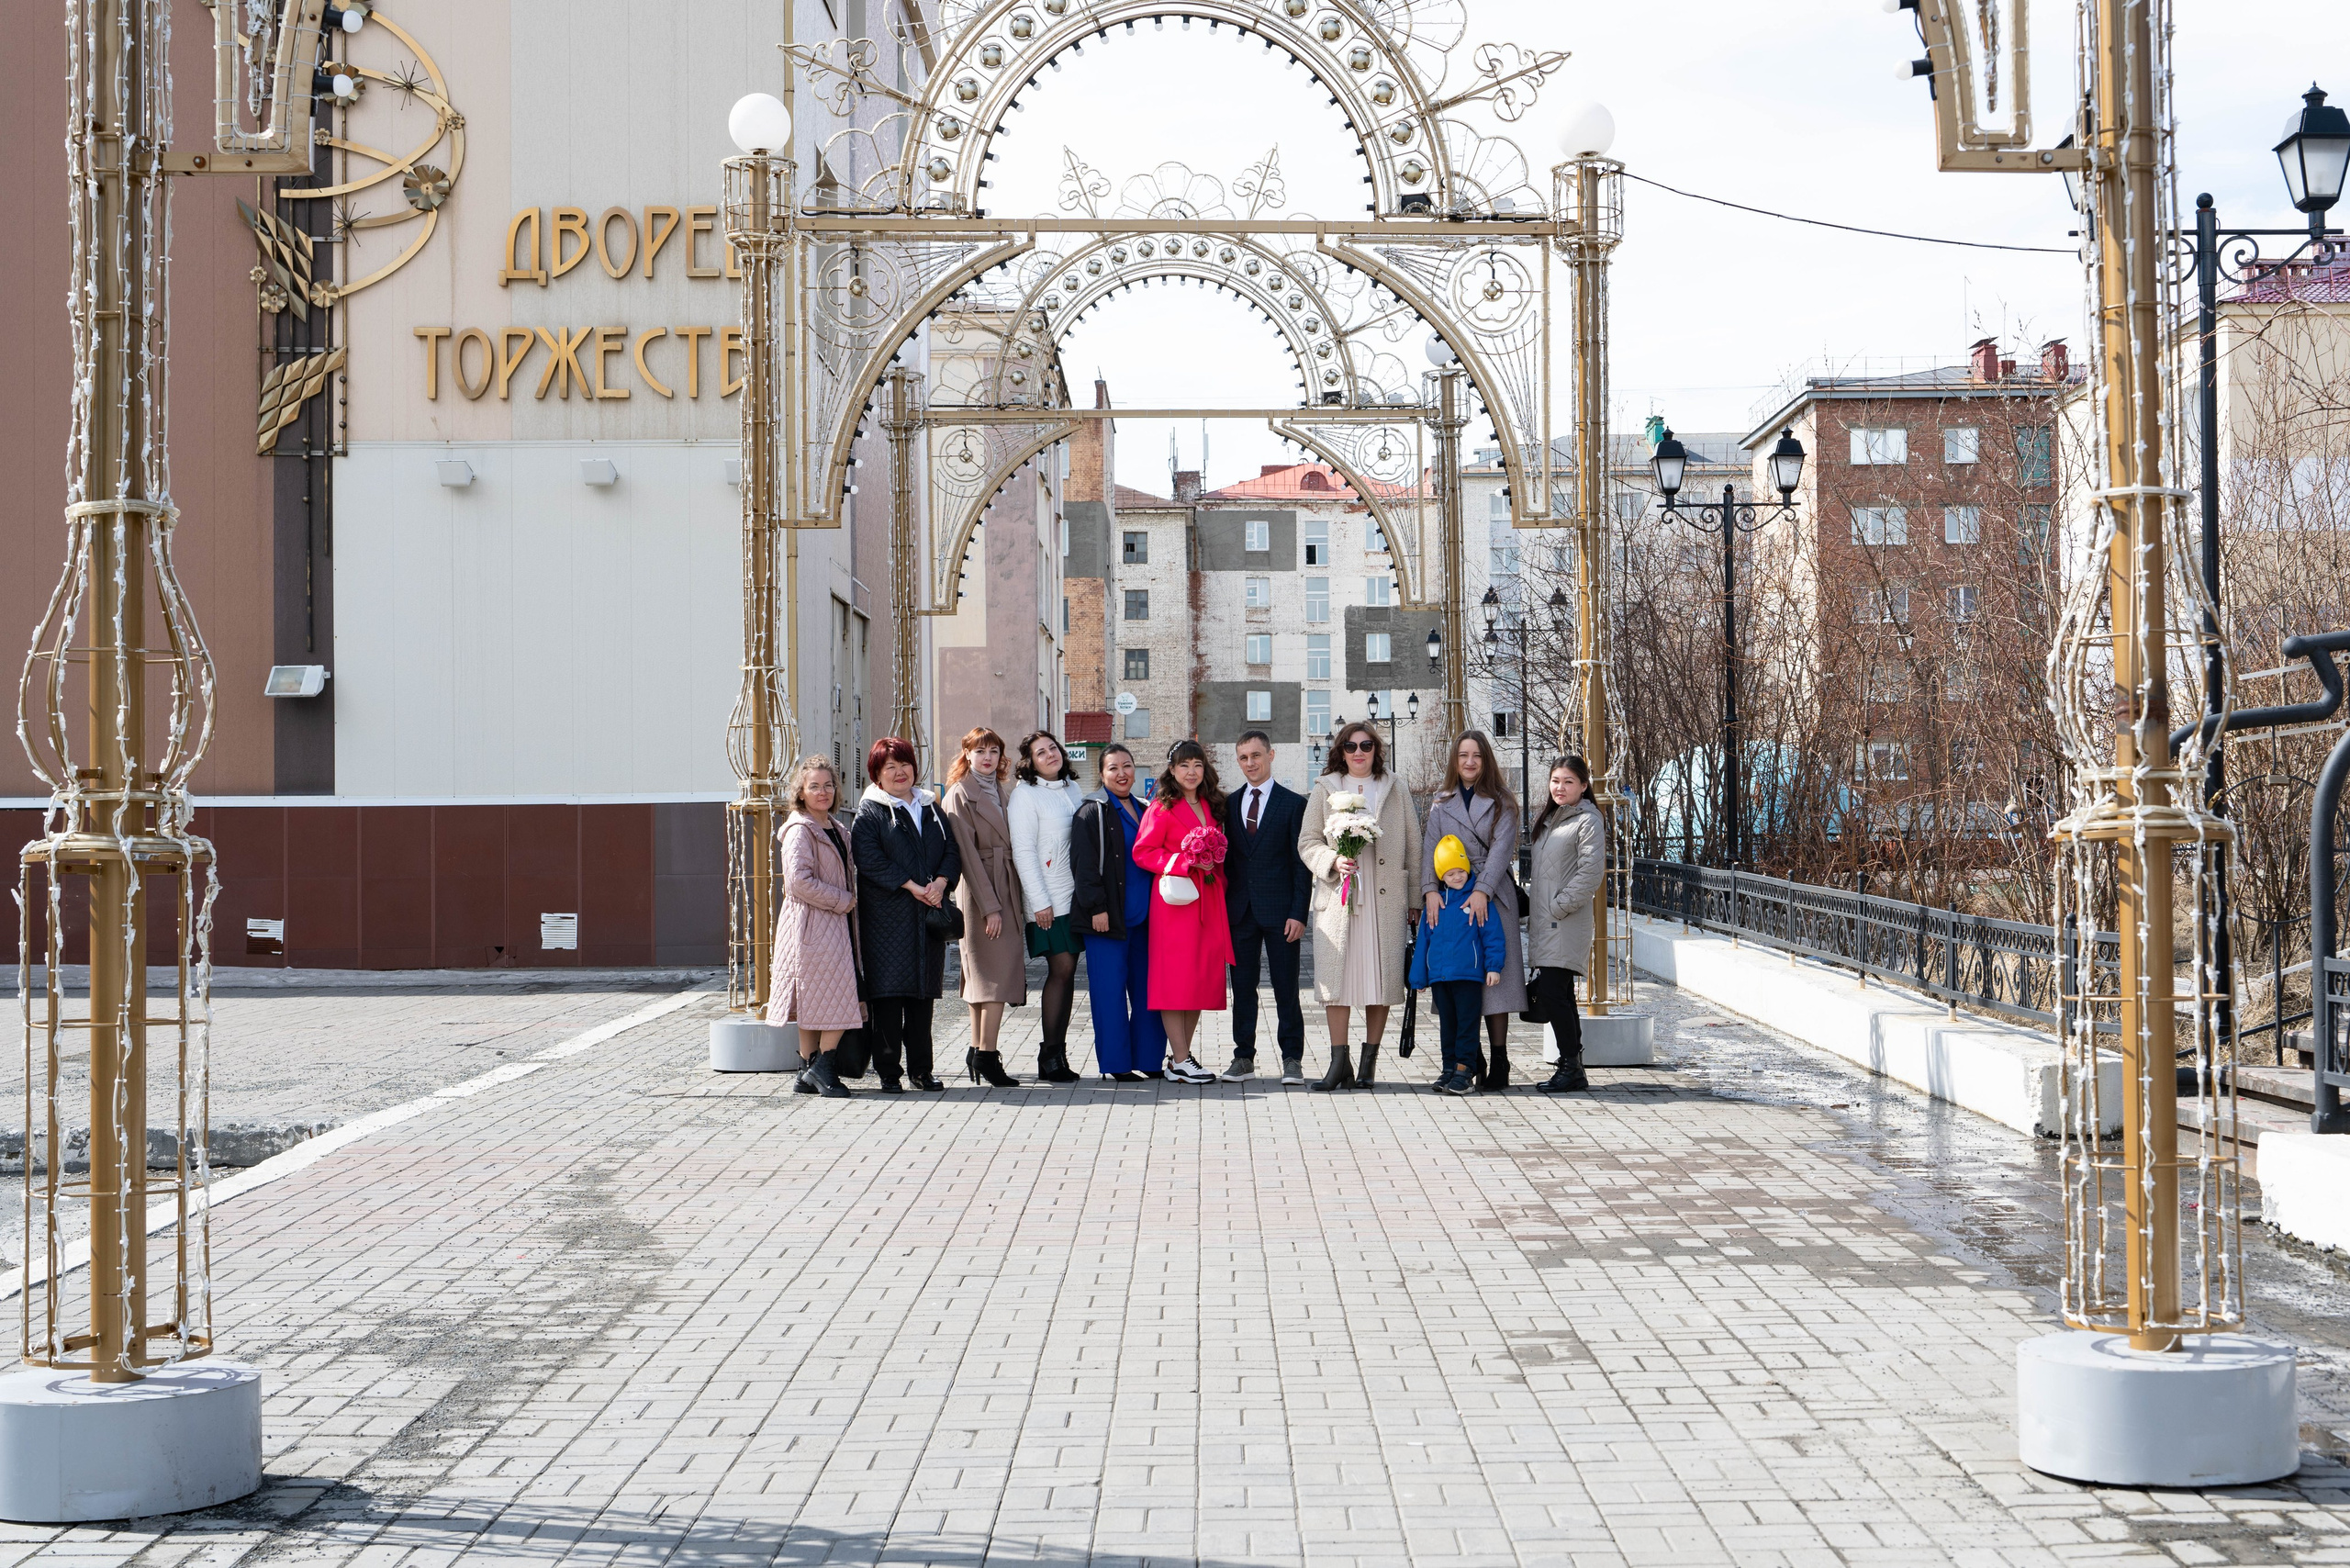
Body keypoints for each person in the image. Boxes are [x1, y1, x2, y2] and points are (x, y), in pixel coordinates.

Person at [1297, 720, 1421, 1091]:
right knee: (1338, 981)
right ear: (1341, 751)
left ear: (1376, 750)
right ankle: (1339, 1062)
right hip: (1338, 898)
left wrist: (1414, 898)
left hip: (1384, 900)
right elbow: (1307, 841)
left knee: (1379, 980)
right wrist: (1332, 861)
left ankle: (1369, 1062)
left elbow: (1414, 845)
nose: (1358, 753)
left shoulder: (1394, 788)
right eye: (1351, 747)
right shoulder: (1325, 789)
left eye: (1366, 746)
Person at [851, 736, 961, 1093]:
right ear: (877, 776)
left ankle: (921, 1071)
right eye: (890, 767)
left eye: (905, 764)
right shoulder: (870, 812)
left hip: (927, 917)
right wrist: (914, 886)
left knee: (922, 998)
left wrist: (942, 882)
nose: (900, 773)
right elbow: (869, 860)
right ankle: (888, 1071)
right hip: (886, 919)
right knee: (887, 998)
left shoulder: (930, 807)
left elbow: (951, 850)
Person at [1420, 730, 1528, 1090]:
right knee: (1459, 980)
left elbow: (1501, 851)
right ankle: (1468, 1058)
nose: (1469, 762)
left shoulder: (1503, 802)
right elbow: (1429, 850)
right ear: (1454, 760)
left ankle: (1499, 1058)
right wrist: (1429, 892)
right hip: (1450, 899)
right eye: (1463, 755)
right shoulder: (1441, 802)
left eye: (1477, 756)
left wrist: (1482, 889)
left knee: (1495, 984)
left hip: (1493, 893)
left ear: (1486, 761)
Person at [1129, 738, 1233, 1084]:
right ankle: (1182, 1057)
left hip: (1207, 900)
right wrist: (1182, 861)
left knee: (1199, 978)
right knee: (1175, 979)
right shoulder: (1162, 807)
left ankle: (1180, 1060)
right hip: (1175, 904)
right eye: (1184, 765)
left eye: (1197, 765)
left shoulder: (1213, 804)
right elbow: (1143, 852)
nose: (1192, 772)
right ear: (1172, 771)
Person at [1219, 729, 1312, 1084]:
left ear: (1271, 756)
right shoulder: (1228, 805)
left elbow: (1300, 863)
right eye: (1243, 758)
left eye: (1256, 756)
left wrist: (1298, 913)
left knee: (1286, 988)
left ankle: (1292, 1059)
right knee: (1242, 989)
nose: (1250, 763)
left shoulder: (1293, 804)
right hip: (1240, 913)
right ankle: (1243, 1057)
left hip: (1281, 914)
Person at [1072, 744, 1166, 1081]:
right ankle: (1116, 1065)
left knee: (1147, 993)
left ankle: (1150, 1060)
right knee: (1109, 995)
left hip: (1145, 920)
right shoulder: (1091, 811)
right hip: (1106, 921)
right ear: (1102, 774)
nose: (1122, 773)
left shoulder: (1147, 809)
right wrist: (1096, 908)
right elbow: (1084, 867)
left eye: (1127, 766)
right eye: (1113, 768)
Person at [941, 727, 1028, 1088]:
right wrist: (991, 907)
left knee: (983, 979)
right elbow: (967, 857)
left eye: (993, 750)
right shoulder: (960, 794)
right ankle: (988, 1057)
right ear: (966, 754)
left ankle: (979, 1049)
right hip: (982, 893)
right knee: (993, 977)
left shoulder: (1001, 791)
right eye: (980, 751)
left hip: (1004, 885)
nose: (987, 757)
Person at [769, 756, 860, 1099]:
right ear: (801, 792)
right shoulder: (799, 830)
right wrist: (842, 900)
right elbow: (798, 882)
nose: (823, 792)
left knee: (814, 1000)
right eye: (814, 786)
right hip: (813, 926)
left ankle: (805, 1071)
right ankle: (824, 1068)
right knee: (836, 998)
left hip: (826, 924)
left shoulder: (835, 828)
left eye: (828, 785)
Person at [1526, 755, 1607, 1093]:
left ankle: (1570, 1065)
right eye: (1556, 780)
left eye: (1569, 782)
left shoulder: (1587, 820)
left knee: (1554, 993)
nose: (1560, 787)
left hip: (1564, 921)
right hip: (1549, 921)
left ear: (1584, 786)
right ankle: (1572, 1066)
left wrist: (1558, 907)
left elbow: (1591, 872)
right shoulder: (1552, 820)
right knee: (1559, 994)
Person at [1009, 730, 1084, 1084]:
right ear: (1031, 762)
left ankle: (1057, 1052)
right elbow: (1023, 852)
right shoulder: (1025, 796)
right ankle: (1049, 1055)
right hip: (1048, 900)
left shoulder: (1071, 787)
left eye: (1053, 748)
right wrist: (1039, 902)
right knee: (1061, 970)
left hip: (1074, 896)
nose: (1050, 754)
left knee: (1068, 974)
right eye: (1041, 752)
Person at [1410, 834, 1510, 1096]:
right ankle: (1449, 1068)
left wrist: (1493, 967)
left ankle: (1465, 1069)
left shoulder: (1477, 900)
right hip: (1441, 977)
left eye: (1460, 871)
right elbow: (1424, 942)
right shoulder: (1436, 904)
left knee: (1467, 1024)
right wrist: (1419, 977)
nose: (1457, 877)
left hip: (1468, 975)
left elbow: (1493, 936)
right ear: (1441, 876)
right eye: (1450, 873)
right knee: (1448, 1026)